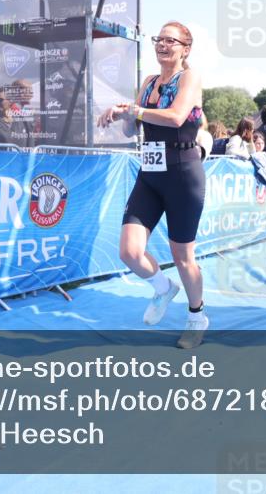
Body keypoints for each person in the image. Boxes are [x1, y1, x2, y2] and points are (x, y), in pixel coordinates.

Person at [97, 21, 208, 349]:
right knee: (129, 252)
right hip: (150, 172)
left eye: (170, 40)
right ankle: (163, 287)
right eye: (158, 39)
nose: (162, 44)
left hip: (183, 173)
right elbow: (135, 129)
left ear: (185, 48)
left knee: (183, 256)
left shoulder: (189, 77)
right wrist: (122, 116)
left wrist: (136, 110)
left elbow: (175, 117)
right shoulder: (148, 82)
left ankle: (197, 316)